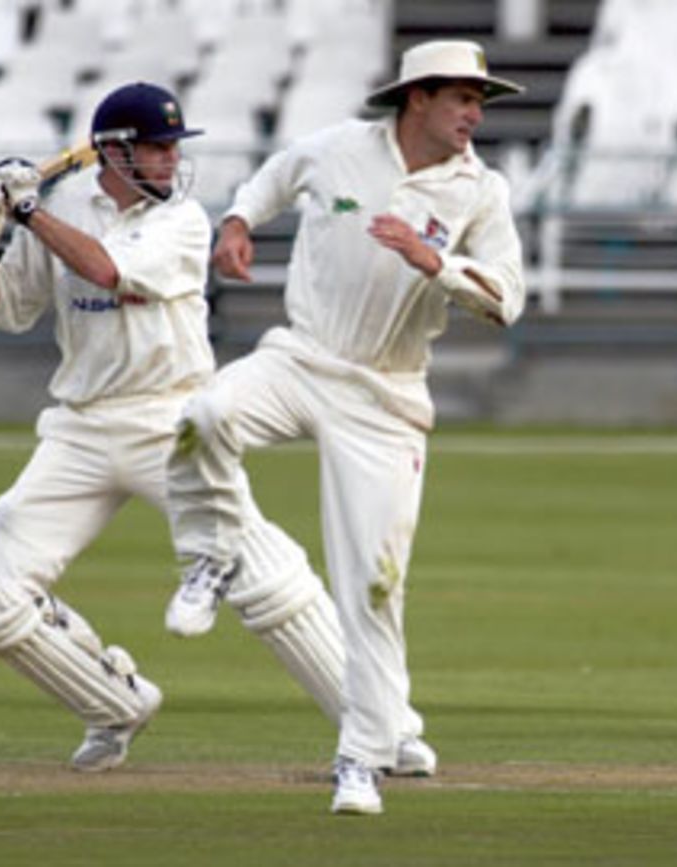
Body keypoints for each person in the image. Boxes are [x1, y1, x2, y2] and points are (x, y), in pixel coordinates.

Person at [0, 82, 350, 772]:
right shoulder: (63, 208)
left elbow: (103, 266)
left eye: (171, 148)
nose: (168, 161)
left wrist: (27, 211)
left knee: (261, 574)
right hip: (82, 426)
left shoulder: (184, 221)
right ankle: (115, 704)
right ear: (115, 153)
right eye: (155, 148)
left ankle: (376, 729)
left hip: (172, 419)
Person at [163, 40, 527, 815]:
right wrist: (237, 220)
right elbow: (273, 176)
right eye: (462, 97)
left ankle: (363, 755)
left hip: (386, 396)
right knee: (202, 416)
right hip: (301, 358)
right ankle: (211, 554)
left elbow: (509, 299)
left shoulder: (479, 191)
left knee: (372, 585)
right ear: (416, 99)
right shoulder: (336, 149)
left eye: (480, 100)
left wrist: (438, 266)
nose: (474, 113)